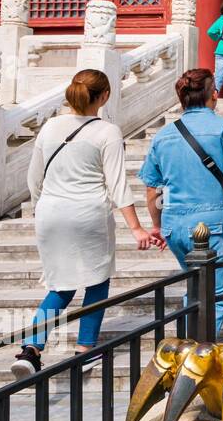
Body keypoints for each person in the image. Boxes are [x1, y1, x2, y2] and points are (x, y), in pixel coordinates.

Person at [12, 71, 159, 378]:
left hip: (50, 211)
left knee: (60, 284)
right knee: (96, 280)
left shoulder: (50, 126)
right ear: (104, 96)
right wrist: (136, 228)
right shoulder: (106, 131)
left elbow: (33, 178)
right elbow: (117, 185)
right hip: (88, 212)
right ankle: (85, 350)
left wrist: (45, 204)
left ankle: (31, 348)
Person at [138, 69, 223, 336]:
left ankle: (186, 346)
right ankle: (193, 357)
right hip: (210, 223)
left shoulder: (163, 135)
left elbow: (152, 189)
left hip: (174, 224)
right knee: (215, 294)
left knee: (197, 287)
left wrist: (157, 225)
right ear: (213, 95)